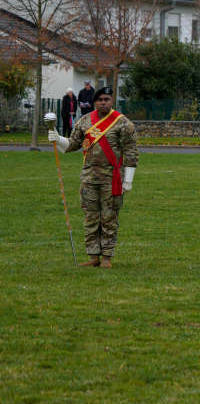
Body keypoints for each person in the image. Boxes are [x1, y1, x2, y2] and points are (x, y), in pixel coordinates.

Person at [48, 85, 138, 268]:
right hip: (89, 178)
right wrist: (56, 138)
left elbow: (131, 151)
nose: (103, 103)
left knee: (109, 218)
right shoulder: (85, 121)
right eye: (100, 100)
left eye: (106, 99)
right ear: (95, 102)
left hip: (112, 179)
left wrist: (128, 179)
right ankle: (93, 256)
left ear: (111, 101)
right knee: (90, 218)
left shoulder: (122, 123)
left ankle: (107, 257)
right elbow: (72, 145)